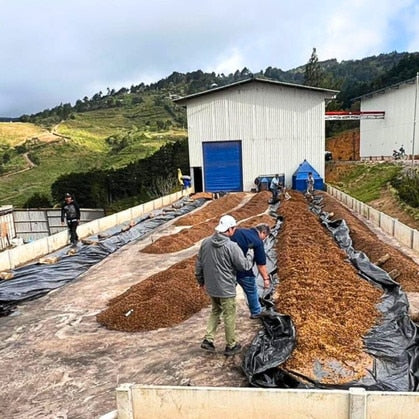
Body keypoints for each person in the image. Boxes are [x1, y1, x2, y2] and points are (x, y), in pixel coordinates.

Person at [195, 214, 254, 356]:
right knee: (229, 314)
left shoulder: (205, 243)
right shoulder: (231, 246)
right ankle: (231, 345)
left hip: (211, 286)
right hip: (226, 287)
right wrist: (250, 253)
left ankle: (208, 340)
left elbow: (199, 265)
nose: (235, 230)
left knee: (215, 310)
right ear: (230, 229)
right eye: (234, 228)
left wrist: (201, 281)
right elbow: (244, 265)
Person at [231, 224, 271, 319]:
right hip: (244, 271)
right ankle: (256, 311)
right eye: (265, 237)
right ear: (263, 232)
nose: (264, 239)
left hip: (228, 269)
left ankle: (219, 316)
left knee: (227, 293)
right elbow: (261, 264)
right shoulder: (257, 241)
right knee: (251, 290)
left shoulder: (238, 232)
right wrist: (266, 279)